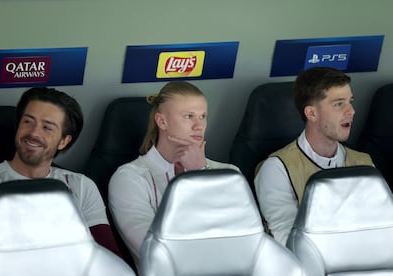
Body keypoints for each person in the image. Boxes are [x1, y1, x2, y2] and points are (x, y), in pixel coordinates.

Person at [0, 87, 122, 257]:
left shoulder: (81, 186)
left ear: (63, 141)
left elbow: (109, 256)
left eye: (47, 127)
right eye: (28, 122)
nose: (33, 133)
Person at [108, 80, 240, 266]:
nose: (198, 125)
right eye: (188, 116)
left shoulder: (229, 173)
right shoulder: (130, 178)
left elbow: (243, 243)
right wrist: (197, 176)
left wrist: (201, 172)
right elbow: (155, 252)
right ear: (162, 121)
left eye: (203, 116)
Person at [254, 66, 373, 246]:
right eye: (339, 103)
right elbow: (290, 243)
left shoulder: (364, 164)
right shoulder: (278, 168)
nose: (351, 111)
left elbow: (381, 227)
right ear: (311, 113)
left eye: (351, 102)